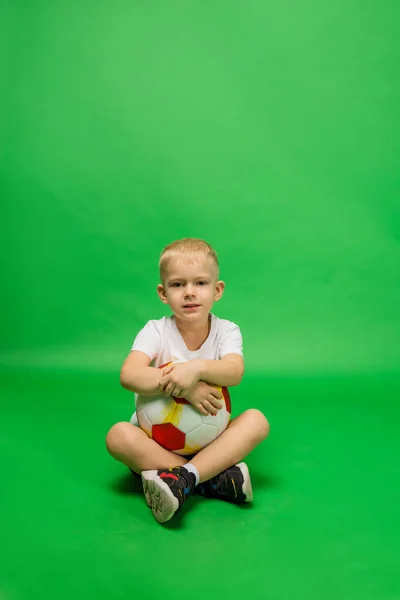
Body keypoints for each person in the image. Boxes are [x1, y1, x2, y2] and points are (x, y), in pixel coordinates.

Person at [106, 238, 270, 523]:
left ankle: (179, 479)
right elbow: (129, 375)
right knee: (118, 436)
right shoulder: (156, 330)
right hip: (154, 444)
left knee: (257, 421)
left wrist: (195, 369)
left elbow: (234, 371)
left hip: (209, 438)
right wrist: (187, 388)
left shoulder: (226, 331)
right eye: (178, 284)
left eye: (201, 283)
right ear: (163, 293)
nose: (190, 293)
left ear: (217, 290)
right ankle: (208, 478)